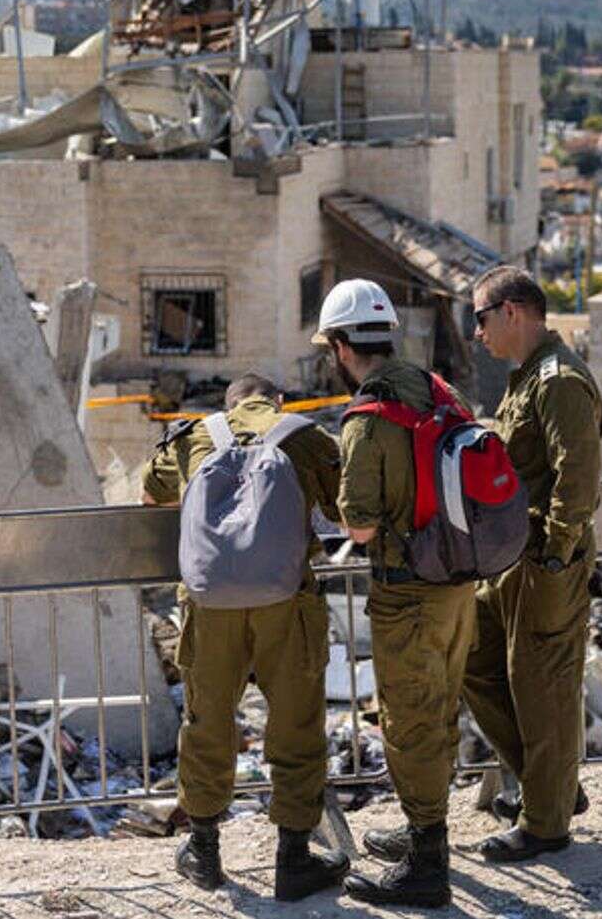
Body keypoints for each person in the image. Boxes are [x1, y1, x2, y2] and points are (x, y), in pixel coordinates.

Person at [141, 373, 350, 901]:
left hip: (209, 607)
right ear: (276, 402)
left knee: (208, 719)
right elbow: (345, 508)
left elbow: (150, 492)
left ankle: (205, 850)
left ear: (229, 405)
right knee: (297, 722)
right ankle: (293, 858)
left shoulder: (195, 436)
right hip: (287, 603)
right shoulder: (306, 436)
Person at [314, 278, 476, 909]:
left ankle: (427, 867)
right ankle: (420, 832)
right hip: (459, 583)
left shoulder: (367, 419)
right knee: (439, 709)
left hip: (407, 591)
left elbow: (358, 524)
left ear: (340, 346)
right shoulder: (440, 389)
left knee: (408, 722)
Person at [462, 265, 602, 862]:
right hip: (511, 559)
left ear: (512, 312)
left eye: (480, 318)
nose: (477, 334)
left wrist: (553, 552)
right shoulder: (526, 379)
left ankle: (546, 825)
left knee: (541, 687)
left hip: (544, 561)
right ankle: (553, 788)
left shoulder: (558, 380)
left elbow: (578, 475)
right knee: (473, 656)